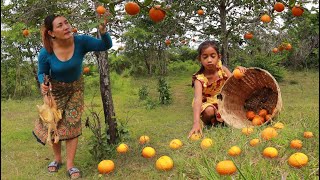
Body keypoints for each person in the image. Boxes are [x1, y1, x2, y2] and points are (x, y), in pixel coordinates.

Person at [32, 14, 112, 179]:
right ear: (52, 33)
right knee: (54, 124)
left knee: (72, 123)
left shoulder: (81, 41)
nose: (66, 27)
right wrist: (43, 83)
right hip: (56, 91)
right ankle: (57, 159)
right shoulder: (46, 52)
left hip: (76, 88)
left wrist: (103, 32)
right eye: (60, 25)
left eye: (66, 22)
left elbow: (105, 45)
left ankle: (70, 165)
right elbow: (42, 73)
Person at [188, 41, 246, 138]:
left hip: (221, 101)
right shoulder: (199, 79)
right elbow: (198, 100)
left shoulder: (222, 70)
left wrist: (238, 70)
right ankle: (208, 125)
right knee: (209, 111)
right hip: (206, 103)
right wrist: (196, 122)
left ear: (219, 57)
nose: (209, 60)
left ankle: (219, 123)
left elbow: (234, 83)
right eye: (205, 57)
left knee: (228, 111)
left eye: (212, 56)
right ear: (200, 59)